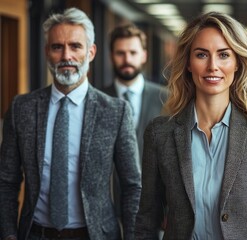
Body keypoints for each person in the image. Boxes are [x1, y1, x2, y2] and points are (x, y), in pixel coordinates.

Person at [135, 12, 247, 239]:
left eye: (223, 55)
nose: (212, 66)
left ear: (238, 62)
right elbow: (147, 220)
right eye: (201, 55)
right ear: (189, 63)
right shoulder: (160, 133)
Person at [0, 8, 141, 240]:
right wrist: (7, 235)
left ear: (91, 52)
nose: (67, 56)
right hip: (35, 234)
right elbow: (6, 181)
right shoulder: (21, 109)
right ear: (47, 52)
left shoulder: (115, 111)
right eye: (57, 47)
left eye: (75, 46)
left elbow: (132, 186)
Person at [101, 24, 167, 220]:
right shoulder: (97, 100)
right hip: (109, 205)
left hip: (155, 206)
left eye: (133, 52)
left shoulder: (167, 99)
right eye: (120, 53)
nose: (127, 59)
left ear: (144, 55)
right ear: (111, 56)